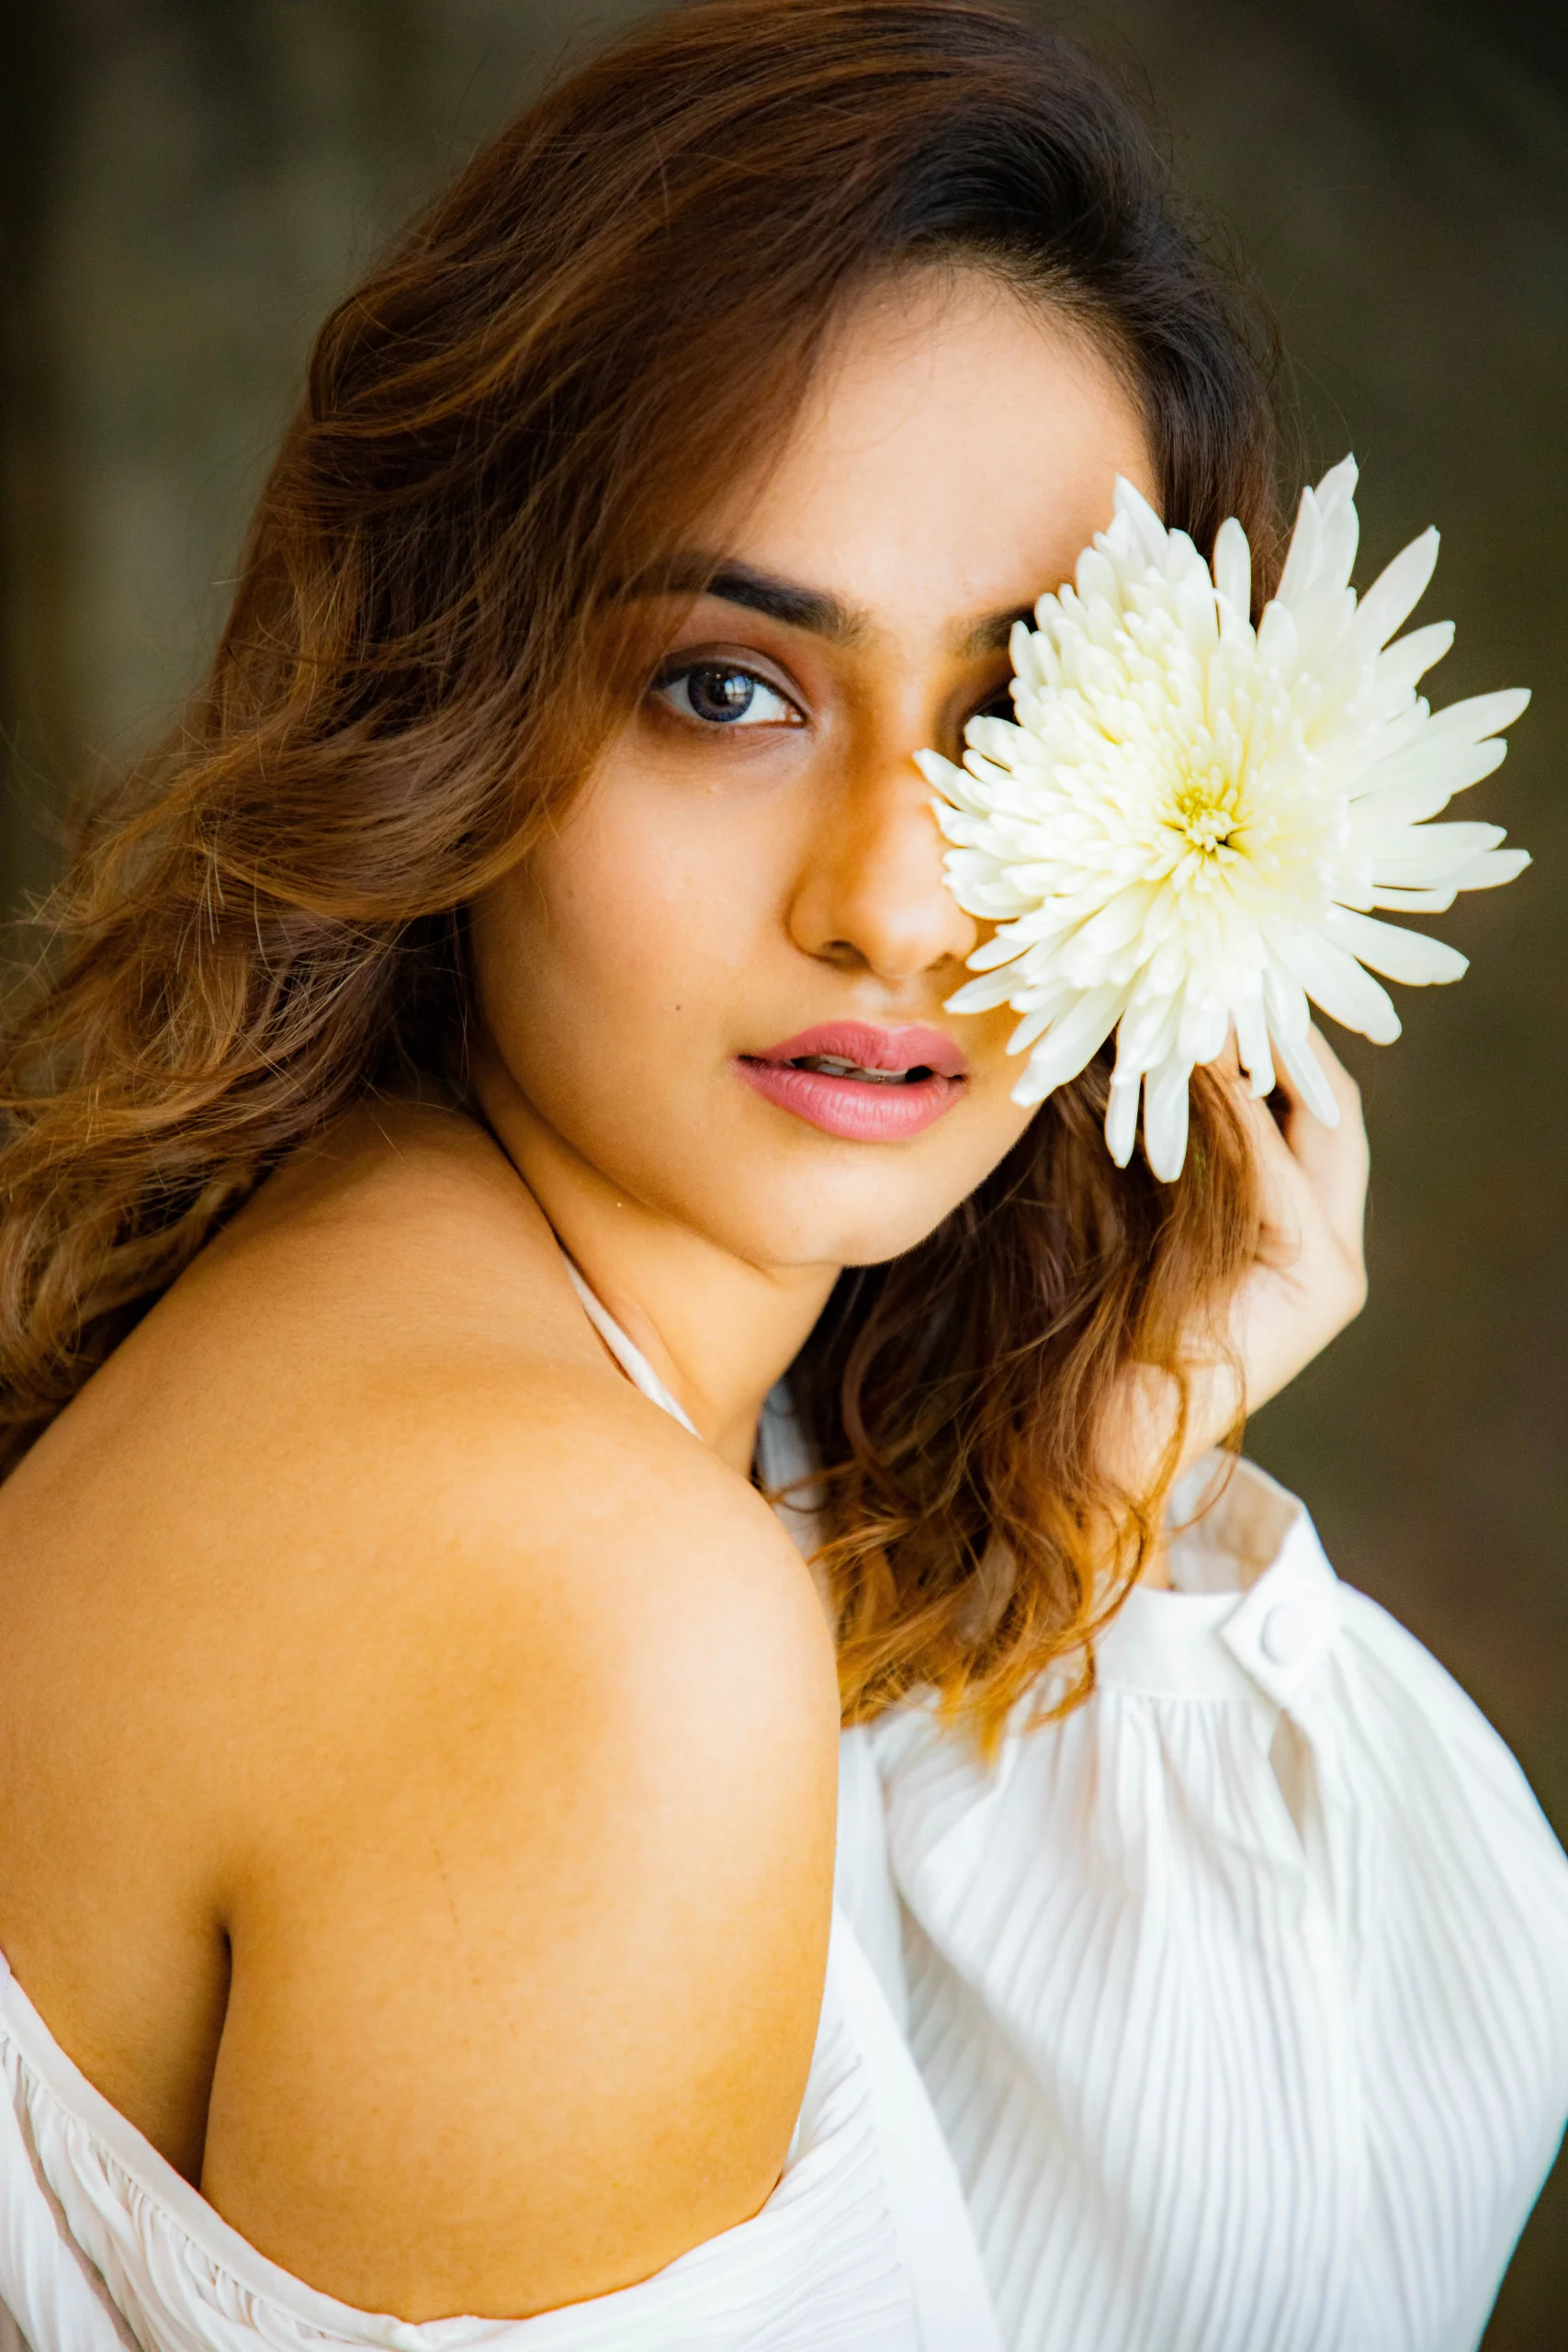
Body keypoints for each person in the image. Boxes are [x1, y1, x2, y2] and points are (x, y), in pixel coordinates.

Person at [0, 3, 1562, 2346]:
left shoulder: (430, 1332)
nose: (899, 901)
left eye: (1024, 708)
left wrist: (1111, 1473)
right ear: (465, 689)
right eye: (730, 684)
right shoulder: (578, 1597)